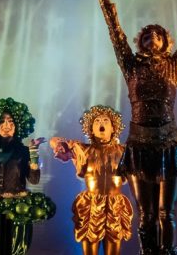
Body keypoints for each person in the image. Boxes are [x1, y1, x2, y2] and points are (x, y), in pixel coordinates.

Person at [97, 0, 177, 255]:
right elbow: (116, 36)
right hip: (138, 146)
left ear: (165, 41)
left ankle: (168, 252)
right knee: (146, 215)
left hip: (168, 144)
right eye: (146, 37)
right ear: (141, 42)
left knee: (165, 214)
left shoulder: (175, 64)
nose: (151, 39)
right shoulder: (130, 65)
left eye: (156, 36)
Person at [0, 97, 55, 255]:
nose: (6, 126)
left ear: (19, 125)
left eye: (11, 121)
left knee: (16, 248)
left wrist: (33, 155)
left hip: (19, 205)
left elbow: (34, 180)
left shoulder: (23, 150)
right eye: (2, 121)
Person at [50, 105, 133, 255]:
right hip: (91, 206)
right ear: (91, 129)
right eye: (97, 121)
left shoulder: (124, 151)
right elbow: (53, 141)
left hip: (115, 206)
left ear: (113, 128)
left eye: (106, 120)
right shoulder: (84, 150)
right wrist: (59, 144)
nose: (101, 122)